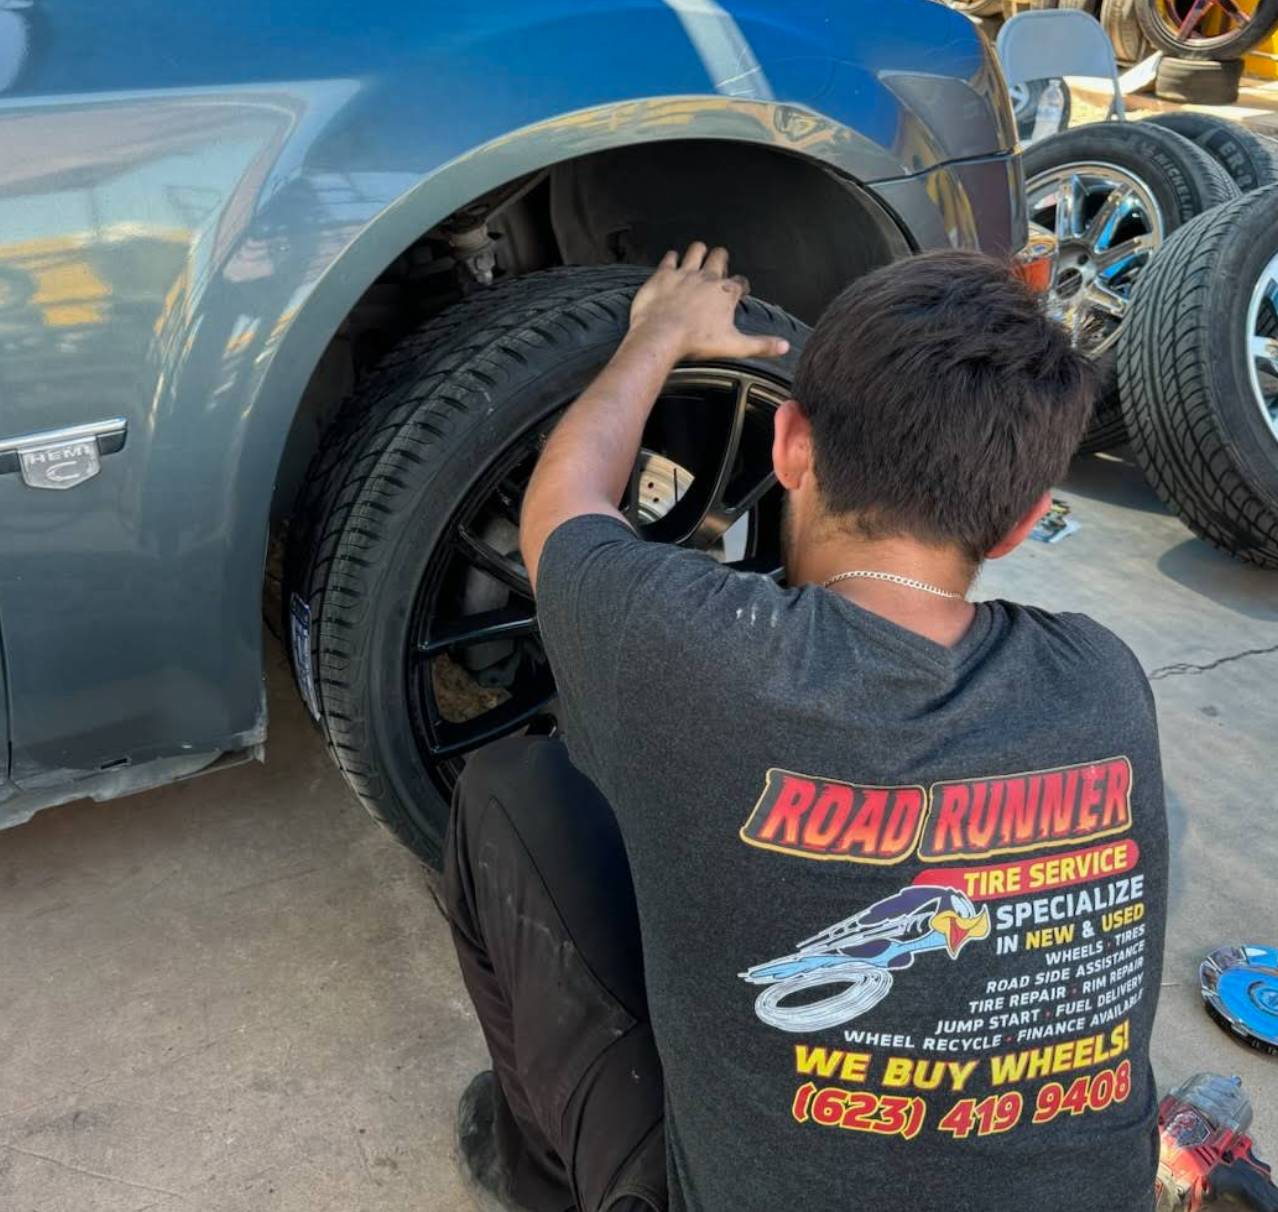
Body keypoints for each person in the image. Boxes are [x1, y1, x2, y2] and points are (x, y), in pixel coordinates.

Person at [443, 245, 1168, 1212]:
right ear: (1021, 523)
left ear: (789, 447)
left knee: (511, 792)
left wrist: (660, 329)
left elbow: (562, 506)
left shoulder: (690, 652)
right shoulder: (1105, 683)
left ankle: (546, 1179)